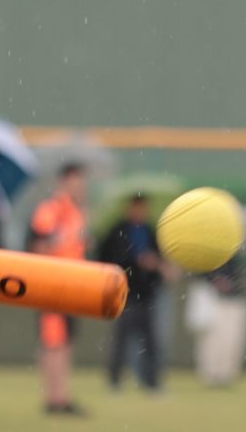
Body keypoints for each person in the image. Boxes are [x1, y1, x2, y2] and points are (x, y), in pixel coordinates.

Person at [27, 162, 91, 416]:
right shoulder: (52, 210)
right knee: (53, 342)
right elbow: (39, 244)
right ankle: (54, 397)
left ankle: (61, 395)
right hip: (53, 284)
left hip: (73, 284)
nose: (80, 187)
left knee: (65, 342)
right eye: (75, 182)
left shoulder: (77, 213)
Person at [98, 192, 167, 392]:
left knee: (151, 341)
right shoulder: (118, 230)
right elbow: (109, 258)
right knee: (121, 340)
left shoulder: (150, 230)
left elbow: (158, 258)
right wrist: (135, 262)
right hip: (124, 294)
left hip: (147, 294)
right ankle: (115, 381)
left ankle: (151, 381)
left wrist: (158, 268)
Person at [189, 253, 246, 388]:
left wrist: (229, 282)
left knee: (232, 340)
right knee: (210, 340)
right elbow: (199, 272)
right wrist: (215, 279)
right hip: (213, 300)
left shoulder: (234, 251)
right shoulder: (204, 252)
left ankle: (226, 375)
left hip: (234, 299)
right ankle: (210, 374)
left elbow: (238, 272)